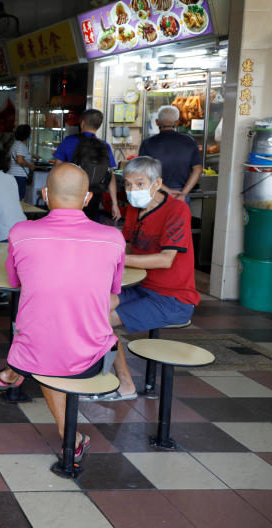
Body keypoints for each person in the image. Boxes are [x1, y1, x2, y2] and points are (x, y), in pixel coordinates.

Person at [0, 164, 124, 462]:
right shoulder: (114, 238)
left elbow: (14, 282)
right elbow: (114, 289)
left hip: (39, 354)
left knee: (41, 338)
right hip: (95, 357)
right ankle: (16, 373)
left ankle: (17, 372)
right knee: (53, 335)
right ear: (88, 197)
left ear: (44, 194)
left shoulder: (21, 232)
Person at [102, 156, 200, 401]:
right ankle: (91, 371)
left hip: (172, 298)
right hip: (141, 286)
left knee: (100, 322)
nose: (133, 190)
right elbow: (123, 244)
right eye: (127, 184)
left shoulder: (177, 210)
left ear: (157, 184)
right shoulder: (135, 209)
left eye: (139, 184)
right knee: (90, 309)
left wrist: (115, 259)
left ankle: (125, 385)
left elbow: (166, 259)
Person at [53, 109, 120, 221]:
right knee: (90, 225)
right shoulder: (105, 146)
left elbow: (56, 169)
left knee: (69, 224)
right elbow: (110, 175)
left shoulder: (69, 140)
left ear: (82, 123)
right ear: (98, 126)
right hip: (95, 196)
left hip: (71, 193)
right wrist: (115, 204)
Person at [139, 105, 202, 201]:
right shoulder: (189, 141)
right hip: (181, 194)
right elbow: (198, 169)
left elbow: (144, 171)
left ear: (157, 122)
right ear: (177, 123)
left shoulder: (147, 143)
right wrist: (183, 194)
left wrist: (167, 190)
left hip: (156, 192)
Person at [8, 124, 35, 200]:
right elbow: (20, 160)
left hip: (13, 174)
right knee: (19, 198)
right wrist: (30, 166)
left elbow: (20, 155)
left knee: (14, 197)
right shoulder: (21, 145)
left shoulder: (16, 144)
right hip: (19, 175)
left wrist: (32, 155)